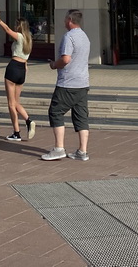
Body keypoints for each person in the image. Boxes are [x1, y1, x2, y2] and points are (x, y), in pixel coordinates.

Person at [41, 10, 91, 162]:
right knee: (81, 116)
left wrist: (54, 64)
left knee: (56, 112)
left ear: (70, 20)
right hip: (83, 82)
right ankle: (82, 151)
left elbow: (66, 59)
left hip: (68, 82)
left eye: (64, 19)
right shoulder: (85, 36)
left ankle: (59, 148)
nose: (63, 22)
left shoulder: (69, 37)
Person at [0, 10, 35, 141]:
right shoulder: (29, 39)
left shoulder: (20, 37)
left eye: (17, 25)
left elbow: (7, 30)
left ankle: (20, 128)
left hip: (14, 67)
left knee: (11, 103)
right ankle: (25, 123)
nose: (15, 27)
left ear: (19, 26)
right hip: (22, 69)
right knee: (16, 102)